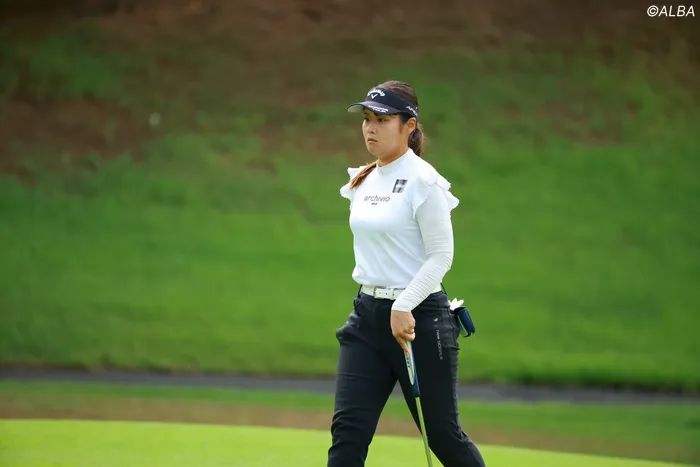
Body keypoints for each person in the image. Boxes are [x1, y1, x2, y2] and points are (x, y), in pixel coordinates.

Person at [327, 80, 487, 467]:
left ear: (409, 125)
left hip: (419, 319)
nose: (370, 128)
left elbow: (441, 256)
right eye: (367, 119)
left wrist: (403, 304)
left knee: (443, 436)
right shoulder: (363, 178)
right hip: (367, 319)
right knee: (347, 435)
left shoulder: (423, 181)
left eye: (382, 120)